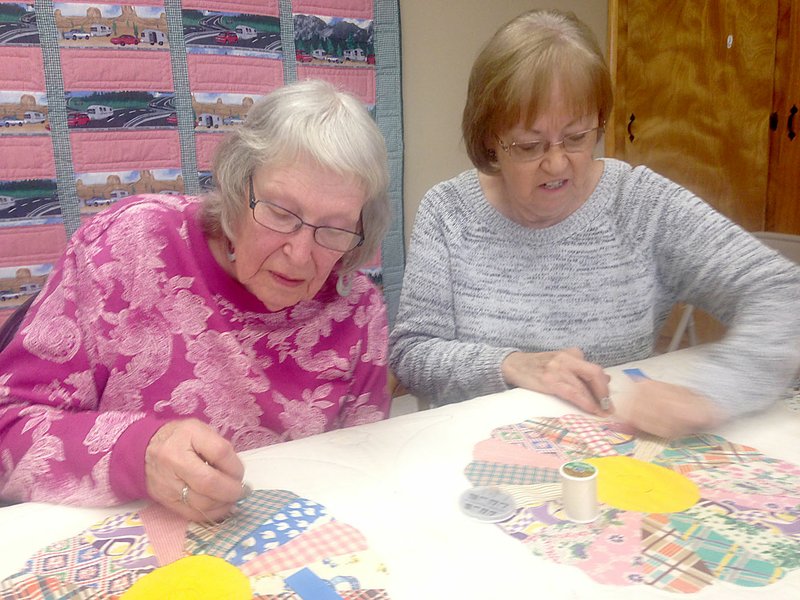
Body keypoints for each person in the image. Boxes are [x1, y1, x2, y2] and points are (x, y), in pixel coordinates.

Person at [389, 9, 800, 438]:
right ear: (490, 139)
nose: (556, 163)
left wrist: (713, 392)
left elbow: (782, 293)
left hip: (614, 453)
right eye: (529, 146)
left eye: (577, 137)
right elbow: (412, 353)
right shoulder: (448, 211)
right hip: (472, 455)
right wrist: (510, 364)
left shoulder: (639, 203)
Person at [0, 79, 391, 520]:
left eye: (335, 228)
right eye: (280, 213)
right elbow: (8, 428)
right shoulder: (126, 247)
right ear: (235, 186)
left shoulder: (358, 311)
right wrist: (139, 454)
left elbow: (362, 475)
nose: (300, 255)